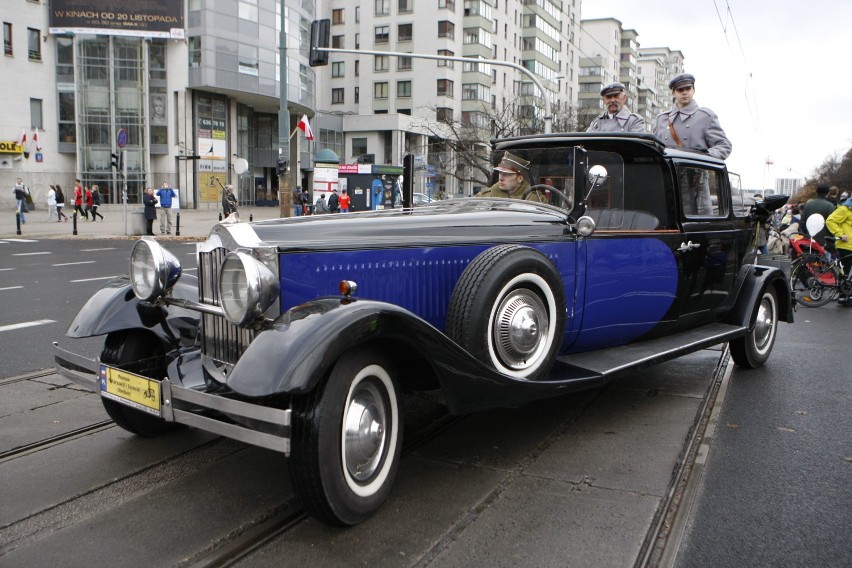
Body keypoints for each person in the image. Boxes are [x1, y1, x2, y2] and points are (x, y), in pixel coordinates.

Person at [653, 74, 732, 160]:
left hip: (697, 170)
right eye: (680, 90)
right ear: (673, 93)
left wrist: (705, 157)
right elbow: (653, 148)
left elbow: (724, 145)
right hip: (668, 171)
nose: (685, 92)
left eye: (688, 88)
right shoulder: (661, 119)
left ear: (694, 90)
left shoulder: (705, 117)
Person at [475, 151, 546, 202]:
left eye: (506, 174)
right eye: (500, 173)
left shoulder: (537, 200)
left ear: (520, 178)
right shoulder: (484, 197)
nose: (501, 178)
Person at [825, 197, 852, 306]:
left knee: (846, 272)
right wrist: (840, 234)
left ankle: (846, 294)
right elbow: (830, 220)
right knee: (845, 272)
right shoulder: (845, 209)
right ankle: (843, 296)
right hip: (846, 245)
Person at [801, 184, 836, 249]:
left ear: (817, 192)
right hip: (824, 241)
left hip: (809, 240)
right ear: (828, 193)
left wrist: (806, 234)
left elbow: (802, 222)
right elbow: (831, 224)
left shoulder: (808, 205)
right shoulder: (830, 206)